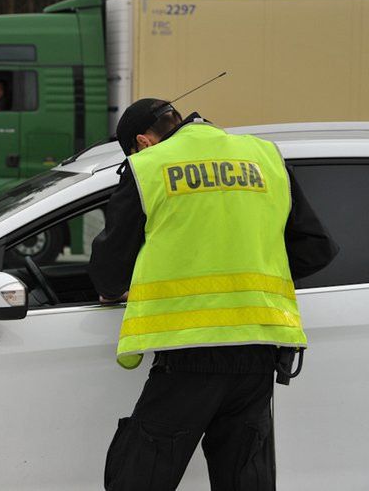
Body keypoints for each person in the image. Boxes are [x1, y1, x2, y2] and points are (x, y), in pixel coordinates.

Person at [90, 99, 338, 490]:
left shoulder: (150, 166)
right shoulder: (264, 157)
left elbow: (108, 270)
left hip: (188, 352)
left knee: (139, 475)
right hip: (258, 349)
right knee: (245, 479)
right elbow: (315, 248)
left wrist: (116, 288)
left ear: (142, 141)